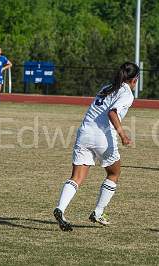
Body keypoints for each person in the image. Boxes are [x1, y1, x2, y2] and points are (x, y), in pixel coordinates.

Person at [53, 62, 139, 231]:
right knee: (114, 173)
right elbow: (112, 112)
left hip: (84, 133)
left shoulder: (107, 87)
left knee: (76, 177)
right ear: (134, 80)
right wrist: (123, 135)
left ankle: (60, 209)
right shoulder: (127, 93)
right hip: (102, 136)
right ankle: (98, 212)